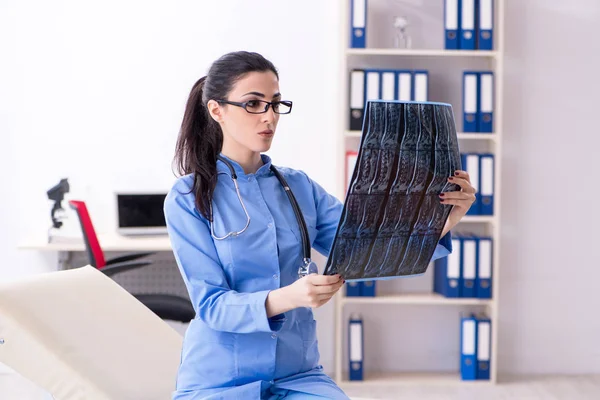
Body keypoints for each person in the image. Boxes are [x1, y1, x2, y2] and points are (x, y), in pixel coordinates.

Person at [164, 51, 476, 400]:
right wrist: (290, 296)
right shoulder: (187, 197)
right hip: (219, 377)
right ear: (216, 109)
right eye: (254, 104)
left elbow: (366, 248)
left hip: (296, 374)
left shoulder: (298, 187)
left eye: (276, 103)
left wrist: (444, 220)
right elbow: (211, 305)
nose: (269, 116)